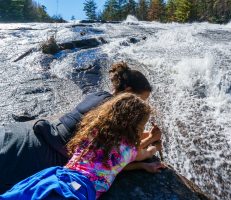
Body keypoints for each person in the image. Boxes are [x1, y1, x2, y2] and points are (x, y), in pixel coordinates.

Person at [0, 61, 164, 193]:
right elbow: (120, 154)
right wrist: (152, 140)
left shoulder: (100, 97)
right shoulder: (114, 112)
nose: (142, 105)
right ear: (128, 91)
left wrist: (149, 135)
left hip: (29, 134)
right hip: (41, 154)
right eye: (142, 99)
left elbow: (118, 141)